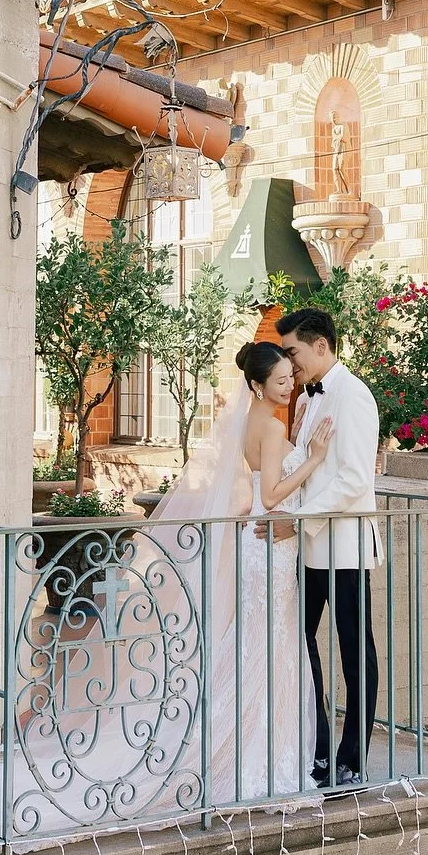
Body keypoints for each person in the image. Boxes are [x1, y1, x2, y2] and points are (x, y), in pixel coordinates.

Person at [144, 341, 327, 803]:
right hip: (271, 547)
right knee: (273, 645)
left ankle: (252, 744)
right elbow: (270, 496)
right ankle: (255, 753)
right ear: (257, 385)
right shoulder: (266, 425)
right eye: (282, 380)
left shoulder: (256, 421)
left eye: (291, 377)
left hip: (264, 547)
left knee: (264, 644)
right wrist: (313, 458)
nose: (290, 386)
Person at [274, 307, 382, 788]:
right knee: (299, 643)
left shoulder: (354, 396)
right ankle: (317, 746)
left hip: (345, 546)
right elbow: (307, 462)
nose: (289, 363)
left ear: (321, 345)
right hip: (312, 545)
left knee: (355, 651)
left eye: (293, 352)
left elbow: (355, 479)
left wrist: (297, 518)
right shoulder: (310, 398)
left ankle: (353, 758)